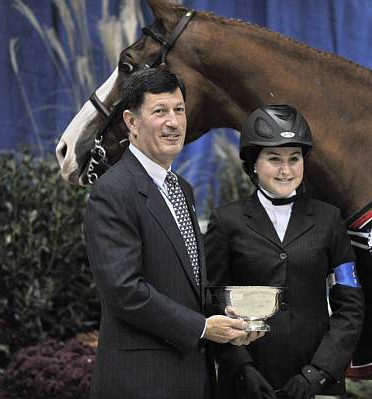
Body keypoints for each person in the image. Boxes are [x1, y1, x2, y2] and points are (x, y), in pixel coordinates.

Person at [84, 67, 258, 399]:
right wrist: (204, 328)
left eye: (179, 110)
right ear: (131, 123)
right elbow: (124, 291)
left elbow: (186, 283)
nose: (173, 122)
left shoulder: (182, 189)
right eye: (160, 111)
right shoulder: (113, 191)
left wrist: (224, 320)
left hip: (192, 377)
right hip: (141, 383)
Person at [205, 104, 365, 399]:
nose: (286, 170)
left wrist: (318, 372)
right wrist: (242, 370)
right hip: (248, 384)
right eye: (274, 159)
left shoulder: (329, 220)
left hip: (316, 382)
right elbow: (212, 302)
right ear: (253, 163)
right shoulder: (226, 222)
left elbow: (350, 307)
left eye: (294, 159)